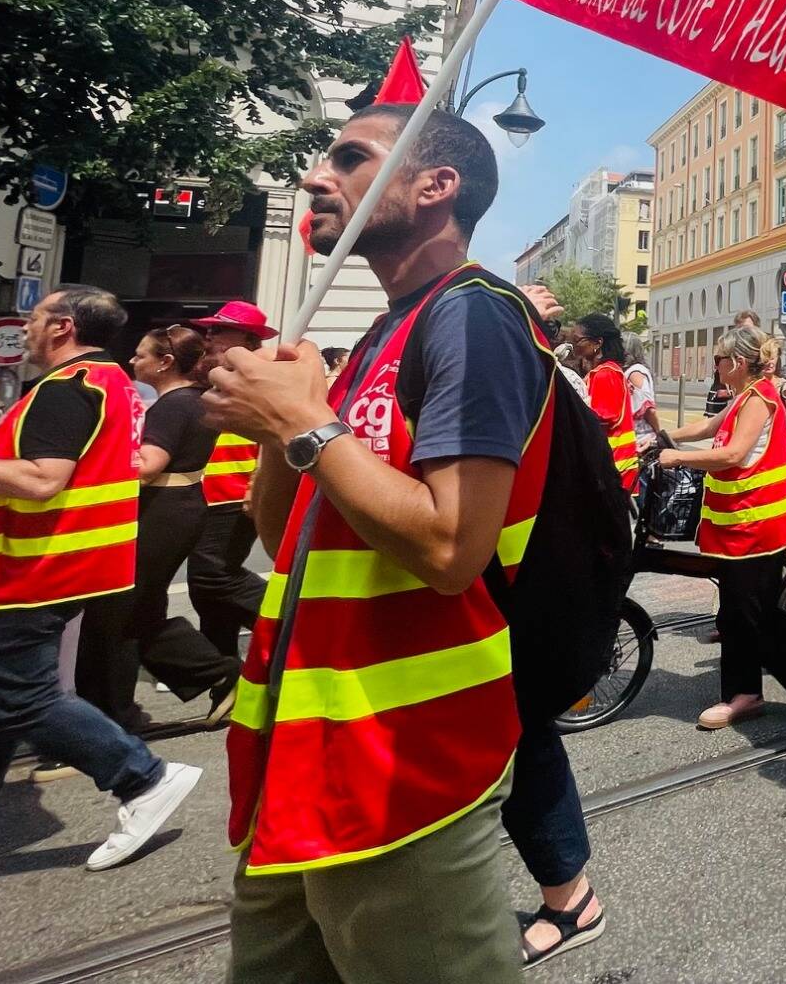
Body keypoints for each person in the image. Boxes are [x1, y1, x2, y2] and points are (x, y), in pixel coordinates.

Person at [203, 105, 572, 981]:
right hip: (300, 760)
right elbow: (282, 537)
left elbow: (451, 551)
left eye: (349, 157)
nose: (312, 177)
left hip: (401, 768)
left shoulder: (475, 316)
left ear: (433, 185)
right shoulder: (380, 331)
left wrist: (307, 424)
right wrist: (278, 426)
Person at [0, 285, 202, 898]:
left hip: (33, 568)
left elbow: (42, 481)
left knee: (13, 694)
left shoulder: (67, 390)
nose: (28, 328)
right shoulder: (109, 381)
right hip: (47, 566)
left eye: (36, 318)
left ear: (63, 327)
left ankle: (141, 776)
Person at [656, 325, 786, 730]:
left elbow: (735, 453)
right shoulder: (744, 396)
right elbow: (707, 428)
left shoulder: (760, 399)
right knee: (738, 613)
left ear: (737, 363)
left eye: (720, 359)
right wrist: (661, 437)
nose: (716, 366)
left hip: (756, 525)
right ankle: (746, 693)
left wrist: (678, 458)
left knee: (749, 612)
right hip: (738, 525)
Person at [76, 326, 241, 730]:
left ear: (165, 363)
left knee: (119, 612)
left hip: (162, 511)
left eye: (140, 354)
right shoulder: (190, 401)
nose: (133, 361)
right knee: (138, 610)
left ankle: (214, 674)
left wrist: (87, 461)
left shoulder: (173, 406)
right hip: (177, 509)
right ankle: (123, 708)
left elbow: (147, 467)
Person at [181, 301, 275, 660]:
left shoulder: (262, 373)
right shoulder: (218, 373)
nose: (210, 335)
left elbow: (272, 431)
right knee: (206, 591)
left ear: (248, 338)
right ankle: (224, 673)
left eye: (219, 329)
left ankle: (291, 624)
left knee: (214, 577)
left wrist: (258, 482)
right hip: (208, 490)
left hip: (235, 492)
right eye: (210, 329)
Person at [569, 313, 640, 490]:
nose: (574, 347)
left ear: (597, 343)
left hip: (613, 469)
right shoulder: (606, 372)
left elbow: (598, 419)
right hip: (613, 468)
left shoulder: (605, 374)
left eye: (578, 341)